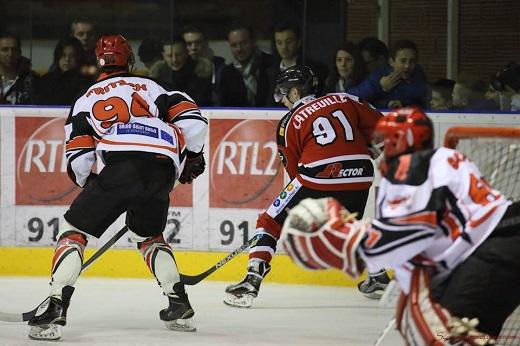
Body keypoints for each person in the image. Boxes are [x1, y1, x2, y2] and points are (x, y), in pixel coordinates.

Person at [281, 107, 520, 345]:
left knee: (451, 337)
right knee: (472, 334)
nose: (381, 145)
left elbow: (415, 230)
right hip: (506, 231)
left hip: (491, 252)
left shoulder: (407, 169)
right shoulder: (447, 156)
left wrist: (355, 243)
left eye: (387, 139)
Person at [27, 34, 208, 340]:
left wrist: (96, 185)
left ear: (97, 63)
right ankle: (178, 303)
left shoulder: (85, 99)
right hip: (162, 169)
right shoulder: (154, 87)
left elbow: (79, 158)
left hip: (121, 165)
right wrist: (192, 157)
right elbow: (194, 123)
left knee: (73, 232)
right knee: (148, 235)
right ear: (131, 61)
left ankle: (55, 307)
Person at [223, 65, 388, 308]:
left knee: (269, 222)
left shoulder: (288, 122)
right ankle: (379, 277)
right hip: (361, 173)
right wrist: (366, 152)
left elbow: (294, 174)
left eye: (284, 92)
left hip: (319, 173)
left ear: (297, 92)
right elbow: (383, 127)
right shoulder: (345, 98)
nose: (282, 99)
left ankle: (250, 282)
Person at [348, 39, 429, 109]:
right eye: (403, 61)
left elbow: (426, 103)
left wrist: (404, 104)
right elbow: (350, 97)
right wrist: (380, 87)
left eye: (412, 61)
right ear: (392, 62)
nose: (407, 66)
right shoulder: (379, 75)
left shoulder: (419, 77)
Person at [266, 21, 328, 105]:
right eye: (279, 42)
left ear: (298, 42)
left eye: (289, 41)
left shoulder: (313, 69)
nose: (284, 47)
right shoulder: (269, 72)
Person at [217, 25, 275, 107]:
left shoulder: (271, 64)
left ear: (253, 42)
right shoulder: (226, 72)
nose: (239, 49)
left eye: (243, 43)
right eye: (234, 45)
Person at [37, 37, 92, 105]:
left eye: (72, 56)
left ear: (78, 57)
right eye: (63, 55)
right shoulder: (47, 80)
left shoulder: (85, 83)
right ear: (58, 56)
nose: (67, 59)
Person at [162, 36, 212, 106]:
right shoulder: (158, 77)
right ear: (163, 56)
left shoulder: (201, 75)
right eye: (169, 56)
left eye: (179, 54)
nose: (174, 60)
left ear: (186, 53)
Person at [0, 31, 40, 104]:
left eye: (14, 50)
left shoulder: (33, 81)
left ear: (20, 52)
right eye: (5, 50)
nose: (10, 54)